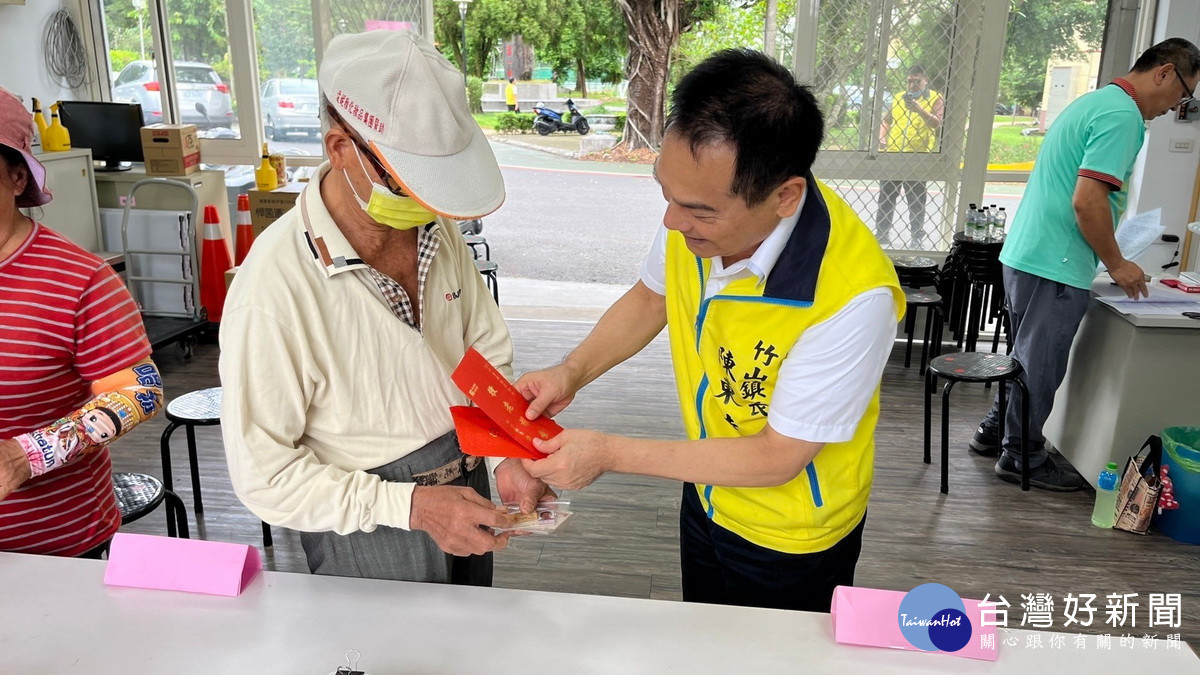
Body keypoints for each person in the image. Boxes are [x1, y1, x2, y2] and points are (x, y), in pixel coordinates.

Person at [514, 49, 904, 613]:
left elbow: (778, 458)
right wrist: (569, 371)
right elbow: (653, 297)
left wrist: (608, 453)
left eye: (696, 210)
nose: (673, 222)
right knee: (706, 632)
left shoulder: (852, 296)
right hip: (709, 486)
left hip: (789, 532)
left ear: (784, 196)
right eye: (666, 194)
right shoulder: (697, 213)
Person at [219, 30, 552, 584]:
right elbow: (264, 474)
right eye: (407, 182)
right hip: (362, 517)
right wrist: (411, 507)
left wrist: (504, 456)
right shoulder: (274, 289)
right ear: (341, 149)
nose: (428, 203)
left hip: (468, 474)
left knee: (471, 648)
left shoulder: (435, 233)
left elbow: (481, 353)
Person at [969, 38, 1200, 491]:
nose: (1177, 107)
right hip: (1055, 260)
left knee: (1024, 356)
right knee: (1040, 363)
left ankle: (995, 430)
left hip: (1028, 253)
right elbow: (1088, 200)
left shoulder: (1096, 101)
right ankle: (1021, 456)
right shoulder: (1122, 117)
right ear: (1164, 73)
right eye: (1184, 94)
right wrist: (1117, 263)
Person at [0, 86, 164, 557]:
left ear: (16, 177)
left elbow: (138, 392)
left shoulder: (80, 281)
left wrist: (24, 456)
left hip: (55, 549)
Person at [876, 64, 944, 248]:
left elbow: (937, 124)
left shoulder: (935, 98)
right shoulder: (899, 97)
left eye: (917, 81)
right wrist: (881, 137)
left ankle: (917, 236)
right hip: (893, 154)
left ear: (926, 81)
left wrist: (920, 110)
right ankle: (881, 234)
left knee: (916, 200)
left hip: (918, 157)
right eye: (909, 81)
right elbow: (887, 120)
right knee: (886, 197)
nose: (912, 85)